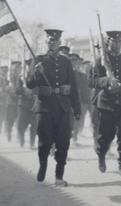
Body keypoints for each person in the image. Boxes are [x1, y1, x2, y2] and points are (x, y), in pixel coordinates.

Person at [26, 29, 81, 186]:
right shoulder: (39, 60)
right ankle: (43, 166)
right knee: (44, 142)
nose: (52, 43)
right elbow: (29, 84)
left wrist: (77, 109)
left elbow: (73, 87)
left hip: (63, 108)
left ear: (60, 43)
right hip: (44, 108)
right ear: (46, 42)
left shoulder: (66, 62)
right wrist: (36, 73)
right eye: (49, 40)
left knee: (63, 143)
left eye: (55, 41)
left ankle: (59, 176)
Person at [92, 31, 121, 177]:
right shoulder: (100, 61)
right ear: (108, 43)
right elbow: (92, 81)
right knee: (105, 136)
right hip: (106, 103)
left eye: (120, 41)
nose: (117, 44)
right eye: (114, 41)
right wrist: (107, 81)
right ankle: (101, 155)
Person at [69, 54, 91, 146]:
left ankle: (74, 138)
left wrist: (86, 101)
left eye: (76, 61)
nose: (74, 63)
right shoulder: (65, 73)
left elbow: (86, 89)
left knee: (77, 119)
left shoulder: (82, 76)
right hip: (67, 101)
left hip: (79, 101)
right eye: (72, 61)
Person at [16, 59, 37, 149]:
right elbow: (17, 90)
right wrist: (24, 90)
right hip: (24, 104)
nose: (32, 68)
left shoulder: (39, 77)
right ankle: (21, 137)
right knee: (22, 123)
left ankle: (32, 142)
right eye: (31, 66)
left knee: (34, 124)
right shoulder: (21, 77)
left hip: (35, 104)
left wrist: (33, 92)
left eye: (34, 66)